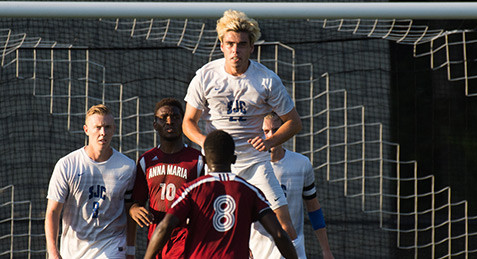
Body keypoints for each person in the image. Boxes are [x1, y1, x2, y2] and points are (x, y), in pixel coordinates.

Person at [183, 9, 306, 257]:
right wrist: (207, 143)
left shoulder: (267, 80)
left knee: (285, 228)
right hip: (218, 167)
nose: (235, 50)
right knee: (212, 229)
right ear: (221, 45)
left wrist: (269, 141)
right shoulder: (205, 76)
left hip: (256, 164)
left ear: (252, 47)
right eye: (230, 44)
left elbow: (294, 123)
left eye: (241, 44)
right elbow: (188, 122)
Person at [144, 130, 298, 259]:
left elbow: (165, 226)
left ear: (205, 159)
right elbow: (279, 234)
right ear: (234, 159)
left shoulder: (190, 189)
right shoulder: (250, 192)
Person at [45, 104, 136, 259]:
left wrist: (130, 250)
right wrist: (53, 252)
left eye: (107, 127)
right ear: (86, 130)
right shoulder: (67, 165)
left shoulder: (127, 167)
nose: (103, 133)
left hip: (112, 245)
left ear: (114, 129)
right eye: (98, 127)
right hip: (74, 249)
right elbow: (53, 211)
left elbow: (130, 210)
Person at [249, 112, 335, 259]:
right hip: (259, 253)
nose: (270, 136)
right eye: (266, 131)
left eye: (276, 130)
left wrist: (326, 250)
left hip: (294, 251)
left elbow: (313, 207)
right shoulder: (249, 168)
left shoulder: (301, 164)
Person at [128, 97, 204, 258]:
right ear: (155, 124)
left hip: (186, 242)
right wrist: (134, 210)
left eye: (175, 117)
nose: (169, 121)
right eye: (163, 118)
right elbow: (137, 202)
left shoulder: (198, 160)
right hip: (156, 241)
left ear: (183, 123)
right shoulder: (145, 161)